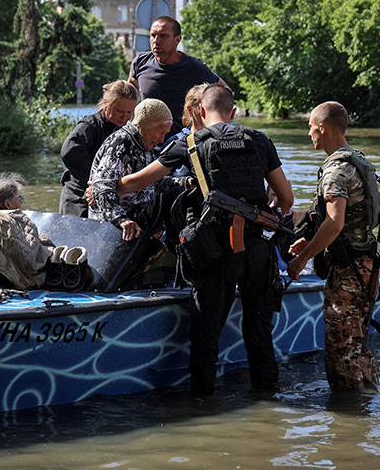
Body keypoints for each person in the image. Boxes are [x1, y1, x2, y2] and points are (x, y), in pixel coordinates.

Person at [112, 84, 293, 395]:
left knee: (206, 333)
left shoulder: (191, 144)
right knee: (260, 331)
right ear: (233, 113)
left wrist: (103, 186)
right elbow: (286, 198)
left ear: (200, 112)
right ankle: (267, 399)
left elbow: (135, 183)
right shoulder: (260, 140)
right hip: (257, 252)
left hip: (214, 252)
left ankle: (202, 404)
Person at [286, 102, 380, 392]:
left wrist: (303, 258)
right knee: (356, 346)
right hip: (366, 266)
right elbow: (346, 224)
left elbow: (335, 223)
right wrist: (314, 241)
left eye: (310, 127)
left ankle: (348, 423)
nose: (309, 133)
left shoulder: (336, 170)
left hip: (348, 275)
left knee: (343, 352)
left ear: (323, 127)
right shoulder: (356, 161)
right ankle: (367, 411)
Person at [89, 98, 182, 241]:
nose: (162, 140)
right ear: (145, 126)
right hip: (112, 224)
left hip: (139, 218)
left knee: (180, 194)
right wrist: (122, 220)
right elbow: (102, 186)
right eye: (160, 132)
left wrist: (184, 182)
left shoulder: (145, 145)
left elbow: (153, 183)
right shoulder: (121, 142)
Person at [128, 16, 227, 137]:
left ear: (177, 40)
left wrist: (206, 121)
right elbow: (129, 95)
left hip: (180, 143)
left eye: (163, 36)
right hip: (147, 141)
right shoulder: (141, 62)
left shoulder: (194, 67)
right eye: (153, 35)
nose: (156, 41)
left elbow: (224, 91)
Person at [59, 80, 139, 217]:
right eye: (119, 111)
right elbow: (69, 151)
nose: (124, 117)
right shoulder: (90, 126)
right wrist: (97, 181)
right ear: (106, 104)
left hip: (110, 196)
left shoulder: (129, 130)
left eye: (129, 112)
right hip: (79, 197)